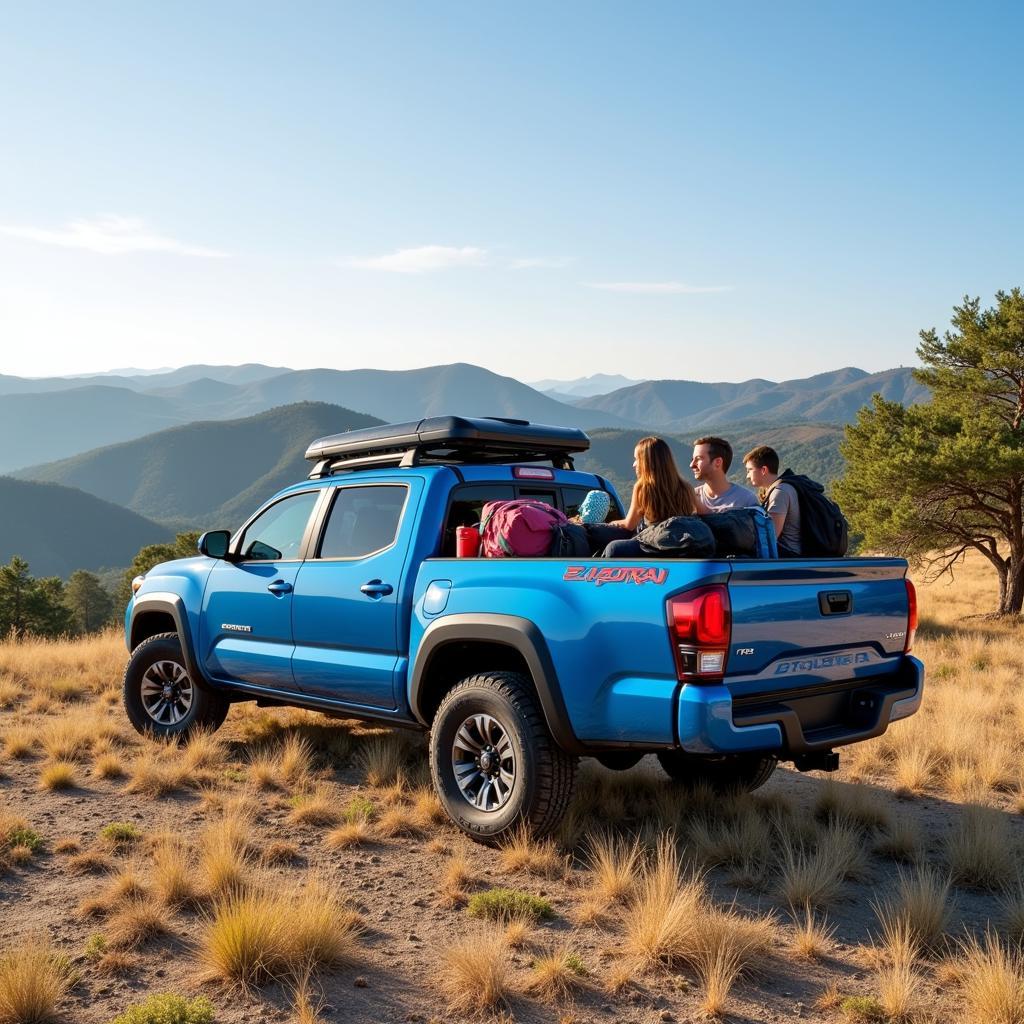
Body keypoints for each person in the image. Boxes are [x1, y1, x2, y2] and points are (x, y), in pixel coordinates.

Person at [603, 436, 701, 556]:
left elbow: (629, 525)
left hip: (655, 546)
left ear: (647, 462)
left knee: (613, 548)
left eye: (637, 459)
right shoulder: (686, 487)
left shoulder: (643, 488)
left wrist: (612, 523)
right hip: (680, 546)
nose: (634, 464)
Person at [743, 444, 802, 556]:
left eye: (750, 470)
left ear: (763, 470)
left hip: (789, 555)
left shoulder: (780, 492)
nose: (747, 476)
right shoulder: (780, 489)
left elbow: (770, 536)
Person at [690, 436, 759, 512]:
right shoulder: (691, 498)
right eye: (693, 459)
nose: (691, 465)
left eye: (698, 459)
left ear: (717, 462)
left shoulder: (746, 501)